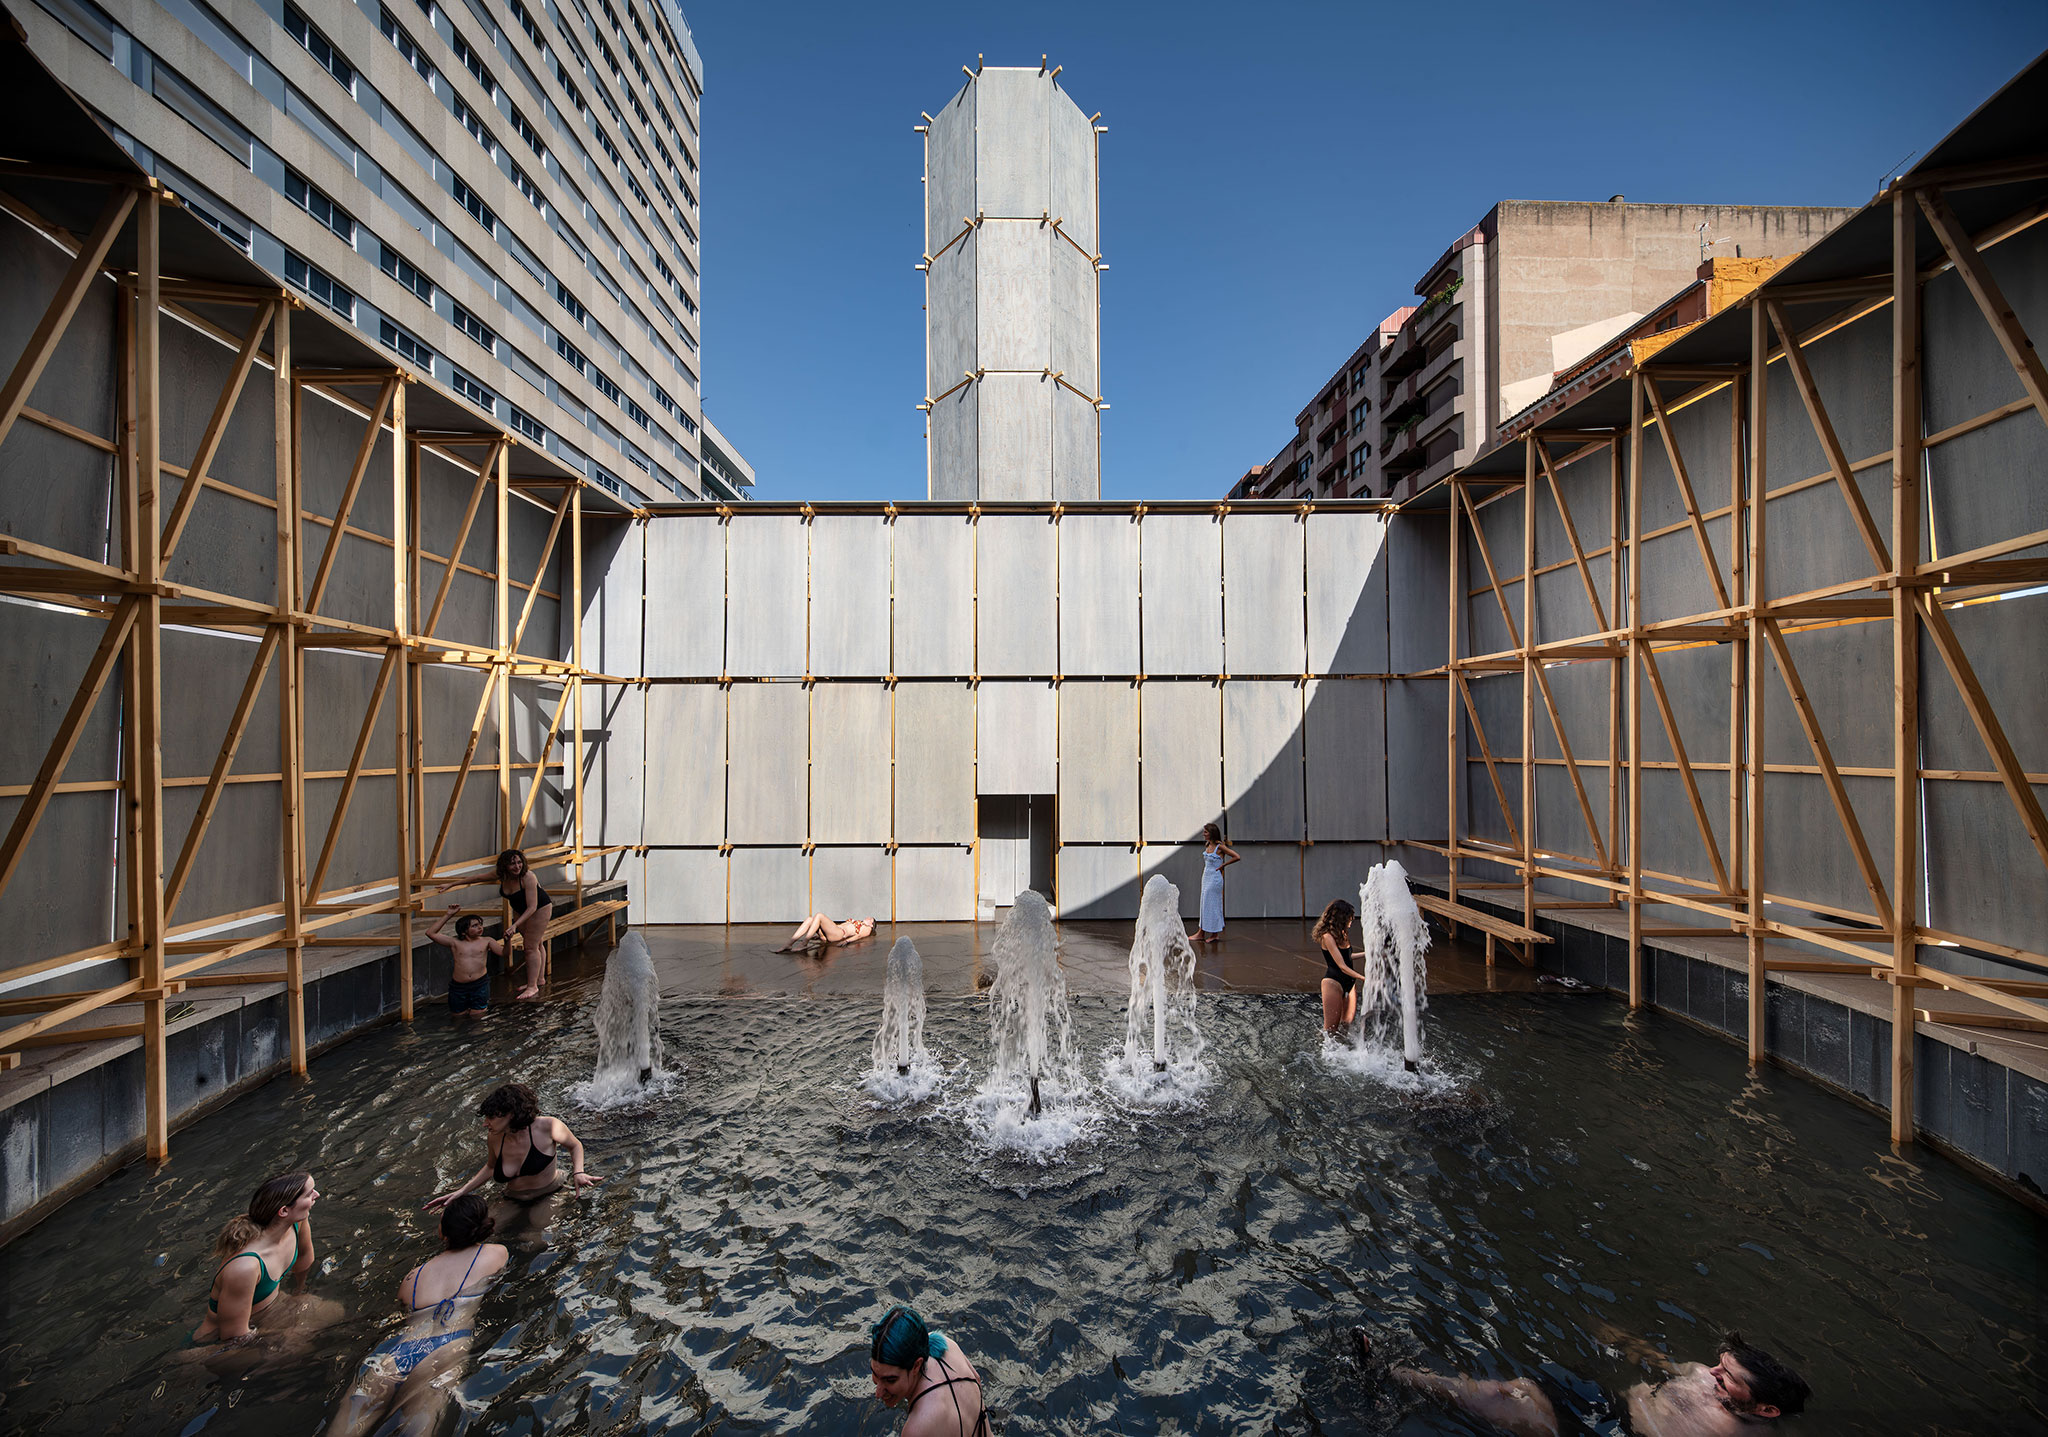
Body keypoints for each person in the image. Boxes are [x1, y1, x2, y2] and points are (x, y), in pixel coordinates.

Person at [1384, 1329, 1810, 1437]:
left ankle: (1398, 1376)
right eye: (1719, 1364)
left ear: (1766, 1409)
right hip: (1606, 1406)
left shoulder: (1745, 1434)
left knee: (1515, 1405)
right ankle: (1396, 1371)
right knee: (1514, 1387)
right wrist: (1621, 1339)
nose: (1711, 1372)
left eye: (1727, 1376)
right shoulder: (1702, 1374)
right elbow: (1661, 1361)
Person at [324, 1194, 509, 1437]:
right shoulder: (496, 1254)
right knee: (418, 1427)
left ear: (443, 1231)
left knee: (347, 1425)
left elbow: (404, 1313)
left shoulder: (412, 1278)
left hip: (399, 1352)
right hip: (446, 1348)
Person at [424, 1082, 600, 1214]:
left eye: (491, 1117)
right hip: (512, 1198)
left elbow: (575, 1145)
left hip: (551, 1193)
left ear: (511, 1114)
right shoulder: (495, 1137)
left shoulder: (549, 1126)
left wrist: (578, 1172)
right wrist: (461, 1192)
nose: (485, 1123)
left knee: (534, 1239)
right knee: (488, 1231)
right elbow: (491, 1167)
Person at [191, 1172, 320, 1344]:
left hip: (271, 1310)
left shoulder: (297, 1223)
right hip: (216, 1344)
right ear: (284, 1211)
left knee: (334, 1313)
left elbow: (304, 1258)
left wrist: (300, 1291)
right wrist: (283, 1334)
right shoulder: (245, 1267)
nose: (317, 1195)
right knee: (306, 1342)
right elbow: (233, 1338)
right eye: (309, 1193)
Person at [431, 850, 552, 1001]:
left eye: (519, 862)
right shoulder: (501, 875)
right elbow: (476, 878)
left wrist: (514, 925)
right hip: (519, 909)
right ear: (505, 865)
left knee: (530, 946)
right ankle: (539, 979)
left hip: (539, 908)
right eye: (512, 863)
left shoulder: (528, 877)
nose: (517, 866)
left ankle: (532, 986)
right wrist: (451, 884)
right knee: (536, 943)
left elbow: (532, 907)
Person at [868, 1304, 989, 1437]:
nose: (878, 1393)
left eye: (890, 1380)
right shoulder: (948, 1345)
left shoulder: (917, 1430)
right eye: (875, 1374)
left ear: (916, 1366)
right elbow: (977, 1378)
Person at [428, 904, 504, 1019]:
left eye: (480, 924)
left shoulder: (486, 941)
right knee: (457, 1017)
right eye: (474, 926)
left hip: (479, 984)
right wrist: (448, 915)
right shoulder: (455, 942)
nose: (480, 928)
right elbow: (430, 933)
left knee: (478, 1016)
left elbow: (504, 953)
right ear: (463, 932)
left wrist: (507, 941)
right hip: (458, 987)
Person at [1313, 898, 1369, 1035]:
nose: (1351, 921)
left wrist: (1368, 953)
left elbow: (1348, 956)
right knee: (1330, 1030)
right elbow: (1342, 966)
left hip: (1349, 983)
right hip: (1334, 982)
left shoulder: (1342, 933)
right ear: (1341, 918)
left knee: (1346, 1026)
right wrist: (1364, 978)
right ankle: (1322, 1047)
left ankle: (1344, 1048)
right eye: (1349, 918)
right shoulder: (1327, 937)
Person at [1189, 823, 1239, 946]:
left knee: (1213, 904)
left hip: (1214, 879)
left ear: (1211, 833)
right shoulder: (1208, 844)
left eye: (1206, 832)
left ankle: (1214, 934)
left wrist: (1223, 865)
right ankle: (1201, 932)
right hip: (1206, 877)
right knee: (1204, 903)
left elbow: (1236, 856)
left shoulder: (1219, 846)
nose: (1203, 834)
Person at [774, 913, 876, 954]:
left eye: (870, 919)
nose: (867, 917)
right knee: (809, 919)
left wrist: (847, 941)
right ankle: (789, 944)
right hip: (832, 932)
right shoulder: (859, 922)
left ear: (871, 924)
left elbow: (858, 936)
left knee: (819, 915)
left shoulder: (867, 928)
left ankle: (804, 943)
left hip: (839, 934)